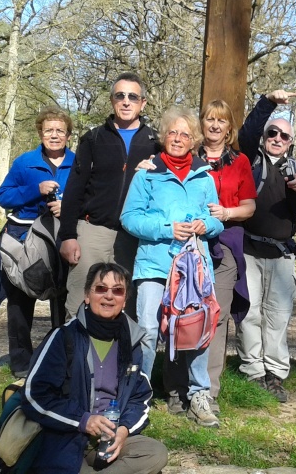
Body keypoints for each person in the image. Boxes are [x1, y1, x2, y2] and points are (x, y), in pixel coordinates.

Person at [120, 106, 224, 428]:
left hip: (194, 267)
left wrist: (205, 225)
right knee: (149, 329)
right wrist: (168, 228)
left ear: (193, 140)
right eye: (172, 133)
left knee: (196, 329)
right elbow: (129, 218)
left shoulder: (204, 176)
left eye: (185, 134)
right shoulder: (146, 174)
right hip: (154, 264)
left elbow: (216, 219)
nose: (178, 139)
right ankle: (140, 394)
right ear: (164, 137)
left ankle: (198, 395)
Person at [159, 100, 257, 416]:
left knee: (214, 317)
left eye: (221, 121)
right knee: (179, 311)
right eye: (209, 119)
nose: (215, 125)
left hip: (225, 243)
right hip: (186, 246)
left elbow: (250, 206)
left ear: (230, 128)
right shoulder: (187, 156)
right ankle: (175, 388)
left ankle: (206, 392)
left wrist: (228, 212)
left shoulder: (239, 161)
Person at [21, 262, 168, 474]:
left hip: (109, 438)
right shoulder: (64, 338)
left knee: (155, 453)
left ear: (124, 300)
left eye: (117, 291)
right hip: (65, 438)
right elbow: (34, 395)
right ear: (87, 296)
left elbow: (140, 396)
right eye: (101, 288)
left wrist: (125, 429)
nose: (109, 296)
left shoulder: (131, 342)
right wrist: (83, 421)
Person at [59, 72, 160, 320]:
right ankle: (77, 357)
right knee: (80, 301)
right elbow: (74, 189)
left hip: (133, 236)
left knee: (129, 304)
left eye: (133, 96)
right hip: (93, 231)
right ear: (112, 100)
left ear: (143, 103)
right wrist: (68, 236)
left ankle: (123, 358)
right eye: (120, 95)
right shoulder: (93, 138)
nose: (126, 101)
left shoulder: (156, 142)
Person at [236, 89, 296, 402]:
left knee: (278, 316)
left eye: (284, 135)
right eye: (273, 132)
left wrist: (295, 189)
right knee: (250, 313)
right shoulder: (250, 160)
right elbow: (247, 131)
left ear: (291, 142)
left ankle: (275, 373)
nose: (277, 138)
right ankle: (253, 371)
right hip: (249, 251)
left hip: (281, 255)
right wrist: (268, 103)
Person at [0, 106, 75, 378]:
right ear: (40, 133)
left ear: (68, 135)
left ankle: (59, 357)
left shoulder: (78, 163)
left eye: (59, 130)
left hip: (61, 238)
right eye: (48, 130)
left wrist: (69, 206)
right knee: (19, 300)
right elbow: (3, 196)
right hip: (23, 237)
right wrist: (34, 190)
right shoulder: (24, 162)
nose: (54, 135)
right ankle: (22, 362)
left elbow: (88, 197)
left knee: (63, 299)